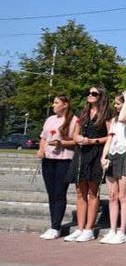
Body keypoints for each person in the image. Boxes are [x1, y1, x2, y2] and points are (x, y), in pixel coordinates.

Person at [65, 86, 111, 243]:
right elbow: (74, 133)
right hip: (81, 153)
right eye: (89, 93)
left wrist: (93, 141)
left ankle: (89, 229)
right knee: (80, 191)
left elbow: (111, 136)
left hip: (96, 153)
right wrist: (78, 139)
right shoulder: (81, 113)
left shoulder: (106, 113)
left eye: (94, 93)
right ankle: (80, 227)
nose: (90, 96)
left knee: (93, 191)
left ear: (101, 96)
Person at [37, 95, 78, 239]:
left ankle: (56, 227)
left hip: (64, 160)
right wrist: (41, 149)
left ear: (65, 104)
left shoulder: (73, 120)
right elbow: (43, 138)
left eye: (56, 103)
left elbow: (76, 141)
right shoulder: (50, 119)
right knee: (51, 193)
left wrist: (61, 143)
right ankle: (53, 224)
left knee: (59, 193)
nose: (53, 105)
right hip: (48, 160)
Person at [99, 91, 126, 245]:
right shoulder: (114, 120)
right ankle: (113, 229)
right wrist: (104, 156)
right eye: (115, 103)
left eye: (118, 103)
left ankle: (123, 231)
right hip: (113, 156)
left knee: (123, 196)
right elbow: (110, 138)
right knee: (112, 196)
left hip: (125, 155)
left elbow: (124, 118)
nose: (115, 106)